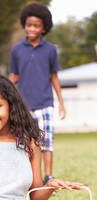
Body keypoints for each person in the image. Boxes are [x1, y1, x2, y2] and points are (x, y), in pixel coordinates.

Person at [9, 2, 66, 184]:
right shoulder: (17, 50)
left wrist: (61, 103)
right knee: (25, 143)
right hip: (24, 106)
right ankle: (28, 177)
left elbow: (54, 77)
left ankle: (48, 176)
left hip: (45, 104)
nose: (31, 29)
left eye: (36, 26)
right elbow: (14, 77)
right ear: (24, 25)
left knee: (46, 143)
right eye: (28, 25)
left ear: (44, 28)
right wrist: (4, 94)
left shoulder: (50, 50)